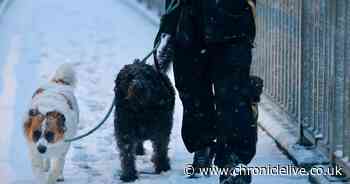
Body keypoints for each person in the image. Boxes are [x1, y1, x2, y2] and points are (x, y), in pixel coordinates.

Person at [154, 0, 261, 183]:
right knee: (192, 90)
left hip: (232, 21)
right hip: (188, 21)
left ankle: (233, 161)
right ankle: (202, 144)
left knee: (233, 95)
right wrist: (168, 28)